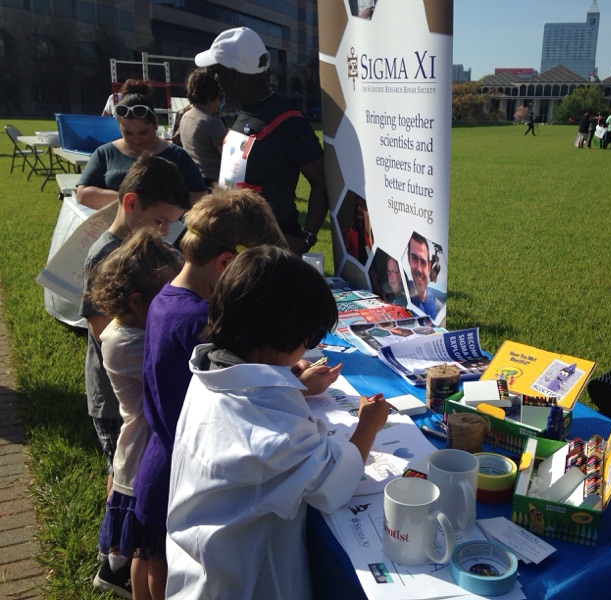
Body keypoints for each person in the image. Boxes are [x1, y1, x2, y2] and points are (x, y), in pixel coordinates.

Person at [134, 188, 340, 598]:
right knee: (165, 561)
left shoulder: (174, 299)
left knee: (162, 558)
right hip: (197, 471)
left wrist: (285, 372)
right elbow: (241, 409)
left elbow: (234, 373)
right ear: (229, 265)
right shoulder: (200, 321)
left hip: (173, 457)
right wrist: (297, 384)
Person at [165, 245, 390, 599]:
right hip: (242, 584)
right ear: (281, 336)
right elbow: (335, 481)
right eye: (310, 338)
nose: (309, 348)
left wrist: (290, 380)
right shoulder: (274, 431)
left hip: (198, 563)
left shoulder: (212, 372)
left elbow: (254, 396)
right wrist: (368, 426)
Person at [80, 153, 191, 597]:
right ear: (130, 203)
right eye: (160, 221)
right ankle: (114, 564)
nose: (164, 231)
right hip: (116, 403)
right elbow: (102, 331)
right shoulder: (109, 258)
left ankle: (119, 559)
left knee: (127, 488)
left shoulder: (146, 259)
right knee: (123, 482)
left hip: (130, 405)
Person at [195, 26, 328, 255]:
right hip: (237, 246)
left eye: (217, 72)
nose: (215, 79)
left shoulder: (288, 121)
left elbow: (321, 181)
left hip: (272, 254)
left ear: (234, 75)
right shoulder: (247, 112)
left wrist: (307, 238)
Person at [78, 92, 207, 210]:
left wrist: (156, 205)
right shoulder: (105, 153)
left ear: (155, 123)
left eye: (143, 133)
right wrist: (129, 201)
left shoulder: (177, 155)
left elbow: (201, 196)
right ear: (119, 126)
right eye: (128, 133)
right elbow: (82, 194)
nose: (136, 140)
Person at [177, 69, 228, 187]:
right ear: (211, 96)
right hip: (213, 182)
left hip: (192, 178)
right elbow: (228, 157)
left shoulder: (185, 117)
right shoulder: (211, 122)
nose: (219, 101)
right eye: (219, 96)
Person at [408, 232, 443, 318]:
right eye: (414, 258)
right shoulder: (403, 296)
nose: (419, 269)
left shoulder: (438, 307)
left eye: (423, 263)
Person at [344, 195, 372, 264]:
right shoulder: (352, 230)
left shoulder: (367, 230)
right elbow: (345, 248)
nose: (359, 217)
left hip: (367, 259)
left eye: (361, 215)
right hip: (358, 261)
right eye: (358, 214)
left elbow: (369, 247)